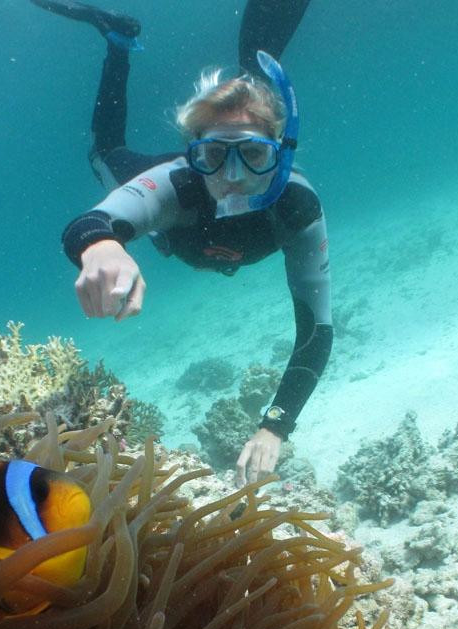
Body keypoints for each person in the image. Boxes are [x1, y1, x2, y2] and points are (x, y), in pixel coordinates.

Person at [31, 0, 332, 486]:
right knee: (105, 153)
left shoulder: (296, 206)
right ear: (194, 156)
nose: (232, 177)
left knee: (248, 82)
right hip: (163, 189)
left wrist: (275, 426)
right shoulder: (177, 183)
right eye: (214, 155)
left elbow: (317, 330)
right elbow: (92, 222)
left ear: (280, 154)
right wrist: (102, 246)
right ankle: (117, 43)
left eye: (254, 154)